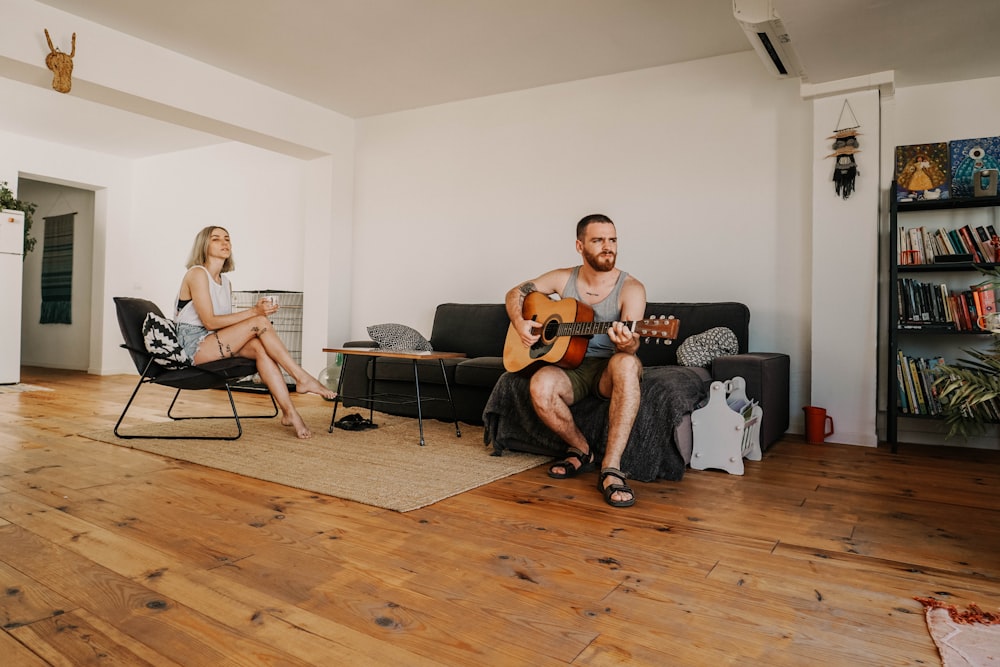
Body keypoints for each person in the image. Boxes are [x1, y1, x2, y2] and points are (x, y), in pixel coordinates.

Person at [505, 214, 646, 507]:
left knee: (627, 363)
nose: (608, 247)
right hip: (571, 366)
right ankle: (582, 450)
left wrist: (628, 342)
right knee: (540, 384)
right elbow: (515, 292)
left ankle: (611, 467)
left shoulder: (631, 288)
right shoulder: (562, 278)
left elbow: (632, 345)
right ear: (580, 246)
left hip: (608, 367)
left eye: (612, 240)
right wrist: (520, 323)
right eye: (598, 240)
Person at [174, 226, 336, 439]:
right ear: (204, 245)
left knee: (260, 347)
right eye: (216, 239)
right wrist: (254, 313)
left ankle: (290, 413)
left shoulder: (226, 282)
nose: (225, 243)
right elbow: (210, 321)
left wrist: (256, 316)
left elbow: (222, 325)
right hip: (193, 344)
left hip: (213, 340)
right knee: (259, 321)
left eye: (227, 239)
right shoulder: (196, 274)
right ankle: (302, 377)